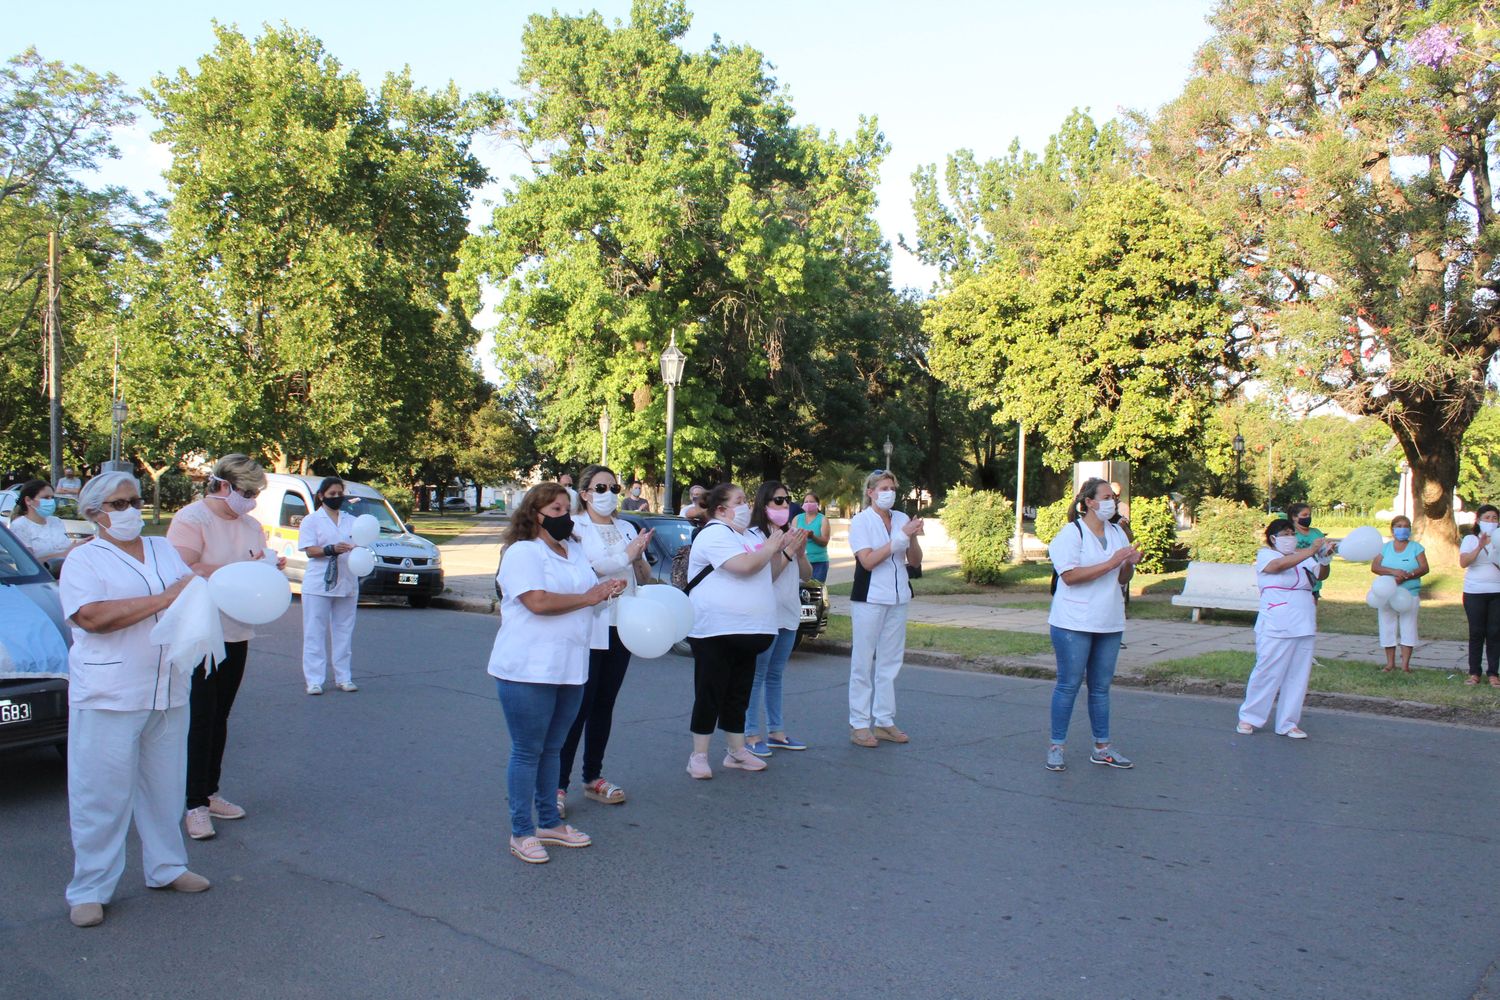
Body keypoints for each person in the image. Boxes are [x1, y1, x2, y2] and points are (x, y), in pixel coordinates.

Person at [59, 472, 211, 928]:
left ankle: (167, 868)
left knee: (165, 789)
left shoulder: (162, 548)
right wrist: (166, 598)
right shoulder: (84, 560)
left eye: (136, 501)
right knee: (100, 795)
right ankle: (89, 888)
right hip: (110, 693)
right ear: (94, 514)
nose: (131, 511)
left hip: (168, 689)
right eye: (120, 504)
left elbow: (192, 593)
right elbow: (91, 617)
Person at [491, 483, 624, 863]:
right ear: (536, 514)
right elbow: (537, 601)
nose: (565, 515)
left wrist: (606, 591)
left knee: (553, 749)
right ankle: (521, 830)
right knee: (527, 750)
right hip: (527, 668)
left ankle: (549, 821)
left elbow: (586, 596)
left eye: (568, 508)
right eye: (556, 509)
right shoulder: (522, 552)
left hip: (569, 665)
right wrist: (590, 596)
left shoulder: (575, 550)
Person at [167, 454, 283, 841]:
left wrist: (268, 568)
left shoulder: (251, 526)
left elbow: (255, 569)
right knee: (199, 718)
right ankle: (192, 804)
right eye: (246, 491)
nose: (251, 500)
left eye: (255, 493)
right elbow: (182, 569)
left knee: (221, 716)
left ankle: (210, 791)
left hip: (237, 631)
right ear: (222, 485)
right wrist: (240, 573)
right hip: (202, 630)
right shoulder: (191, 519)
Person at [557, 465, 653, 816]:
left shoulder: (626, 527)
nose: (609, 492)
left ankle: (593, 775)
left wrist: (640, 558)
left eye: (614, 486)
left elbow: (639, 574)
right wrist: (628, 555)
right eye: (601, 487)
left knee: (604, 704)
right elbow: (590, 569)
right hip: (590, 625)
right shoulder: (576, 528)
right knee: (577, 706)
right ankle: (558, 784)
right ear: (584, 493)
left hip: (621, 624)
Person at [684, 483, 782, 778]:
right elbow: (744, 566)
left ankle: (736, 751)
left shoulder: (745, 535)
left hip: (747, 631)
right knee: (710, 691)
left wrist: (781, 551)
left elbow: (767, 573)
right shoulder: (714, 533)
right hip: (715, 630)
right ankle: (698, 755)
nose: (746, 505)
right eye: (739, 500)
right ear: (721, 509)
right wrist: (770, 547)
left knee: (738, 693)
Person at [1045, 477, 1141, 771]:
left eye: (1113, 497)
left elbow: (1123, 580)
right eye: (1105, 497)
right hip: (1073, 622)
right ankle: (1056, 746)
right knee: (1069, 684)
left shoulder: (1117, 533)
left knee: (1100, 687)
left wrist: (1127, 563)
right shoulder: (1071, 534)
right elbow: (1070, 577)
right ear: (1088, 502)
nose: (1111, 502)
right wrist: (1113, 562)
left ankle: (1102, 747)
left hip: (1109, 620)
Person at [1237, 518, 1335, 738]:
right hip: (1276, 622)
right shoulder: (1267, 555)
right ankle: (1249, 717)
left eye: (1292, 533)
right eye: (1285, 534)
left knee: (1298, 675)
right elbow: (1277, 567)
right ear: (1273, 539)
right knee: (1267, 671)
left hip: (1303, 620)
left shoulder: (1302, 558)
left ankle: (1288, 722)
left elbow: (1320, 575)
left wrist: (1325, 559)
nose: (1291, 538)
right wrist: (1311, 550)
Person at [847, 470, 923, 748]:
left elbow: (914, 561)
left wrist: (912, 537)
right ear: (870, 492)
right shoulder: (861, 522)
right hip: (870, 597)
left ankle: (884, 720)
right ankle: (858, 723)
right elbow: (867, 561)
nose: (889, 492)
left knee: (890, 662)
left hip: (898, 596)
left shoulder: (901, 519)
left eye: (892, 487)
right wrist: (899, 539)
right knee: (863, 661)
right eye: (883, 488)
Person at [744, 481, 812, 756]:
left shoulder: (791, 534)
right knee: (756, 676)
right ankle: (750, 734)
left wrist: (801, 552)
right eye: (778, 500)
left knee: (776, 675)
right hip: (764, 615)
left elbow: (806, 574)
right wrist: (785, 551)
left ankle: (777, 731)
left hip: (788, 613)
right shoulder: (753, 536)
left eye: (787, 499)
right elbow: (768, 575)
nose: (784, 505)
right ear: (764, 504)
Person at [297, 476, 359, 695]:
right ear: (321, 496)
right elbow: (309, 549)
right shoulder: (311, 521)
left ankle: (344, 677)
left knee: (344, 631)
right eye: (332, 494)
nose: (336, 498)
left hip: (347, 581)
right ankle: (314, 680)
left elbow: (362, 544)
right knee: (315, 631)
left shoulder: (351, 520)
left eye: (339, 494)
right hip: (319, 583)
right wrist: (331, 549)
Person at [1370, 515, 1427, 673]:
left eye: (1406, 526)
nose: (1403, 529)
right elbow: (1375, 567)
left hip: (1409, 593)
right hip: (1388, 592)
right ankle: (1390, 663)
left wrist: (1407, 575)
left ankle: (1405, 665)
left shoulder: (1416, 548)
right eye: (1399, 526)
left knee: (1408, 627)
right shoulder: (1385, 548)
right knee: (1387, 626)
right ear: (1393, 529)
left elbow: (1424, 568)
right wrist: (1393, 572)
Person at [1459, 504, 1500, 686]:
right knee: (1476, 632)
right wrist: (1480, 546)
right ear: (1478, 520)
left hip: (1497, 591)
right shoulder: (1470, 539)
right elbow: (1464, 562)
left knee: (1495, 632)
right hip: (1474, 591)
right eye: (1487, 518)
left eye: (1494, 518)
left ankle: (1493, 673)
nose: (1491, 521)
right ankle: (1474, 672)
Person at [8, 479, 85, 565]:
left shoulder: (56, 521)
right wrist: (64, 554)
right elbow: (27, 563)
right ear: (28, 500)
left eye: (52, 498)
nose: (51, 501)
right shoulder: (20, 525)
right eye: (45, 498)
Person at [1286, 503, 1327, 600]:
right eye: (1304, 515)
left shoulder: (1316, 532)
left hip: (1314, 575)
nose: (1308, 518)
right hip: (1296, 576)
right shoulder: (1290, 532)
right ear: (1294, 517)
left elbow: (1323, 548)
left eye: (1309, 515)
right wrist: (1311, 550)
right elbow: (1288, 551)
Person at [794, 492, 831, 583]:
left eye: (811, 501)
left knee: (815, 590)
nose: (808, 504)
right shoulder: (797, 519)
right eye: (806, 502)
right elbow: (792, 537)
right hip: (801, 561)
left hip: (819, 562)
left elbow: (824, 542)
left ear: (817, 504)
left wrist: (812, 536)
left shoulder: (823, 519)